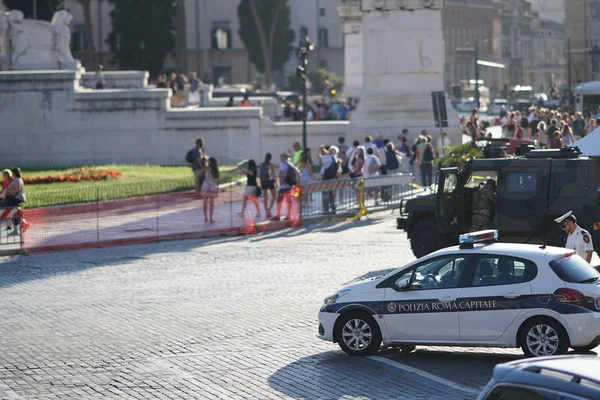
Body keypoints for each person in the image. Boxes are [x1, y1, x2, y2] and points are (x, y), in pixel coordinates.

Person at [271, 153, 296, 221]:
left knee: (279, 200)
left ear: (285, 157)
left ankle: (278, 215)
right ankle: (288, 215)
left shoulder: (282, 164)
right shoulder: (290, 163)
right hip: (289, 185)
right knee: (288, 201)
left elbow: (281, 172)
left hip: (283, 186)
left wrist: (281, 180)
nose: (280, 158)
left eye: (281, 156)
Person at [201, 157, 219, 223]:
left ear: (210, 162)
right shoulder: (215, 169)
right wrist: (218, 187)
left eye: (208, 161)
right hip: (212, 186)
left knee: (205, 202)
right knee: (211, 203)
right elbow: (217, 179)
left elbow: (200, 174)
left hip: (206, 186)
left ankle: (206, 217)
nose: (207, 161)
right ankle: (211, 218)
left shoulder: (206, 168)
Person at [259, 153, 277, 218]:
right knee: (274, 196)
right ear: (270, 158)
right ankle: (269, 210)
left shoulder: (262, 164)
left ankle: (267, 211)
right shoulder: (271, 165)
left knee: (265, 198)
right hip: (269, 181)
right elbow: (274, 175)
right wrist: (276, 183)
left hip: (263, 181)